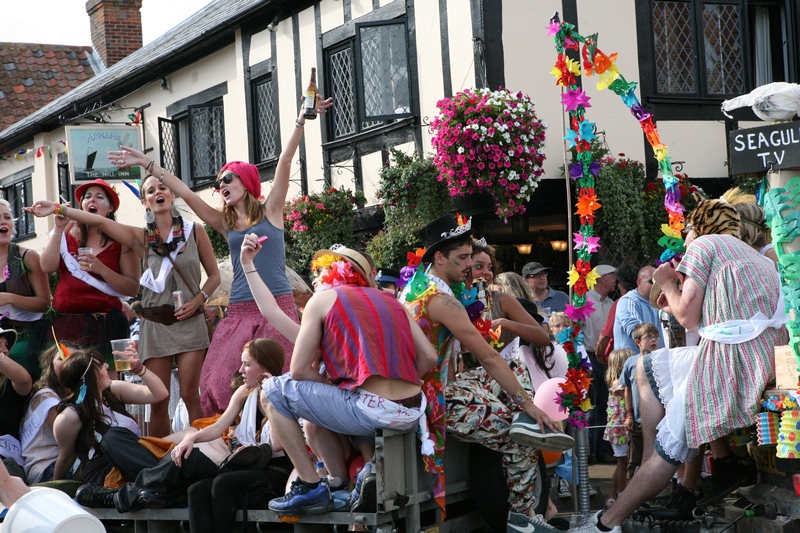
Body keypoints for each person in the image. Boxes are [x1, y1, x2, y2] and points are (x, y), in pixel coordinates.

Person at [570, 195, 787, 533]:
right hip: (753, 357)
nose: (683, 237)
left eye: (686, 229)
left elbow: (688, 319)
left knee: (666, 442)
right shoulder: (752, 256)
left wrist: (668, 282)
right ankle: (710, 463)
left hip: (729, 362)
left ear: (700, 227)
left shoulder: (704, 246)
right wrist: (672, 301)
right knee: (646, 367)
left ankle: (605, 523)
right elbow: (714, 316)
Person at [108, 96, 333, 417]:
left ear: (246, 181)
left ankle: (283, 442)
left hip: (277, 306)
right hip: (240, 310)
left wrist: (300, 119)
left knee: (280, 378)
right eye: (218, 182)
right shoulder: (225, 223)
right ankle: (233, 439)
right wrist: (147, 163)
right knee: (215, 383)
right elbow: (184, 192)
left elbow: (284, 162)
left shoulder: (271, 212)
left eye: (227, 178)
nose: (221, 185)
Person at [401, 214, 573, 529]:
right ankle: (522, 519)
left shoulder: (418, 286)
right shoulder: (439, 300)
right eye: (463, 258)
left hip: (437, 386)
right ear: (440, 258)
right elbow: (487, 357)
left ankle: (522, 425)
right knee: (520, 435)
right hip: (434, 397)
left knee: (512, 366)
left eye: (471, 257)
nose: (470, 265)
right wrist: (528, 404)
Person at [27, 175, 221, 437]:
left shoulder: (194, 230)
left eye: (163, 188)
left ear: (173, 194)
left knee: (189, 394)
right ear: (144, 201)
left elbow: (214, 276)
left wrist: (200, 298)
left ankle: (205, 449)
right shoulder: (140, 237)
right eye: (151, 190)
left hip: (189, 321)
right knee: (158, 400)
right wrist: (59, 209)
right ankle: (163, 456)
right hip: (155, 324)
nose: (158, 192)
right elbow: (99, 221)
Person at [261, 243, 437, 516]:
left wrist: (336, 388)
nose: (315, 279)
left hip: (373, 411)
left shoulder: (320, 300)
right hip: (413, 411)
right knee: (345, 407)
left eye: (318, 273)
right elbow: (429, 358)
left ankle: (310, 485)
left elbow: (297, 371)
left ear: (330, 273)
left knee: (271, 390)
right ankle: (359, 476)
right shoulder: (392, 300)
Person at [37, 180, 141, 378]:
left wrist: (101, 268)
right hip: (66, 324)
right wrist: (58, 229)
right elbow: (46, 266)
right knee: (66, 383)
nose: (92, 200)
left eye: (100, 197)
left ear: (110, 208)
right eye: (87, 196)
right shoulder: (67, 233)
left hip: (105, 325)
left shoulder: (122, 241)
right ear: (81, 205)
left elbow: (132, 288)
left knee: (105, 386)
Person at [53, 348, 169, 485]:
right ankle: (162, 480)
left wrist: (139, 368)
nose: (107, 366)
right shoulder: (69, 416)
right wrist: (56, 486)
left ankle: (162, 477)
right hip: (107, 474)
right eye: (101, 365)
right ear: (89, 377)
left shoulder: (113, 390)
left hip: (138, 456)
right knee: (113, 437)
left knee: (189, 434)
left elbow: (160, 394)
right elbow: (66, 457)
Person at [0, 200, 51, 378]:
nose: (3, 222)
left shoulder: (27, 256)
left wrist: (9, 298)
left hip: (26, 338)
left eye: (7, 217)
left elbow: (45, 303)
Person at [20, 344, 70, 484]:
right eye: (62, 358)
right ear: (51, 366)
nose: (68, 362)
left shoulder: (72, 394)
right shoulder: (46, 397)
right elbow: (69, 439)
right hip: (47, 468)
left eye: (73, 358)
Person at [621, 323, 659, 484]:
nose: (653, 340)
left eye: (655, 336)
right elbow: (627, 390)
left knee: (659, 458)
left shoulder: (661, 359)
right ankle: (633, 490)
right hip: (637, 421)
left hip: (658, 421)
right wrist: (628, 414)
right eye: (648, 337)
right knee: (635, 459)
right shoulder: (631, 363)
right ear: (638, 342)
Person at [0, 325, 33, 481]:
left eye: (6, 345)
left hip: (6, 461)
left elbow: (24, 380)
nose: (5, 350)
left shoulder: (10, 382)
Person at [603, 349, 633, 509]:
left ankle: (612, 494)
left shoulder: (616, 381)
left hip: (620, 428)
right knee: (623, 463)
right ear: (621, 365)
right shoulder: (619, 384)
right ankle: (624, 495)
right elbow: (630, 395)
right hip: (619, 428)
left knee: (621, 463)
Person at [612, 265, 663, 352]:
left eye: (657, 282)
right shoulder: (628, 301)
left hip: (654, 360)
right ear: (639, 282)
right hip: (630, 362)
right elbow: (635, 329)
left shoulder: (659, 302)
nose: (655, 285)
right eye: (651, 281)